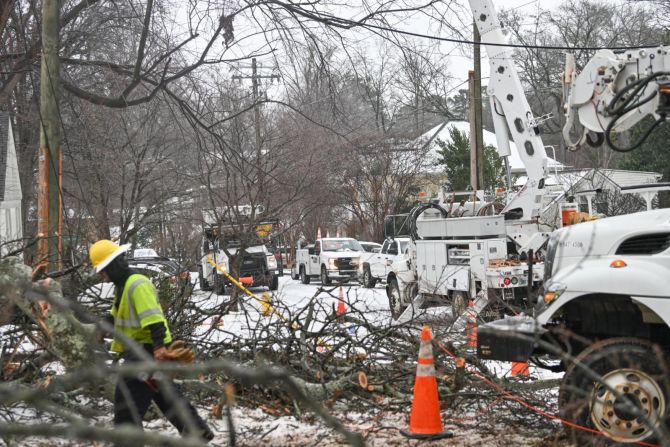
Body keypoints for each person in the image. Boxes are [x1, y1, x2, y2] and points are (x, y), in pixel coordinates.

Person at [89, 239, 214, 444]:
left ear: (113, 266)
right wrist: (103, 328)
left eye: (103, 270)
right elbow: (116, 314)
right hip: (142, 351)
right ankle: (195, 430)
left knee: (126, 403)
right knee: (163, 391)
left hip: (145, 353)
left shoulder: (137, 284)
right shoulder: (123, 286)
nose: (103, 276)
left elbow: (154, 319)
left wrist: (158, 348)